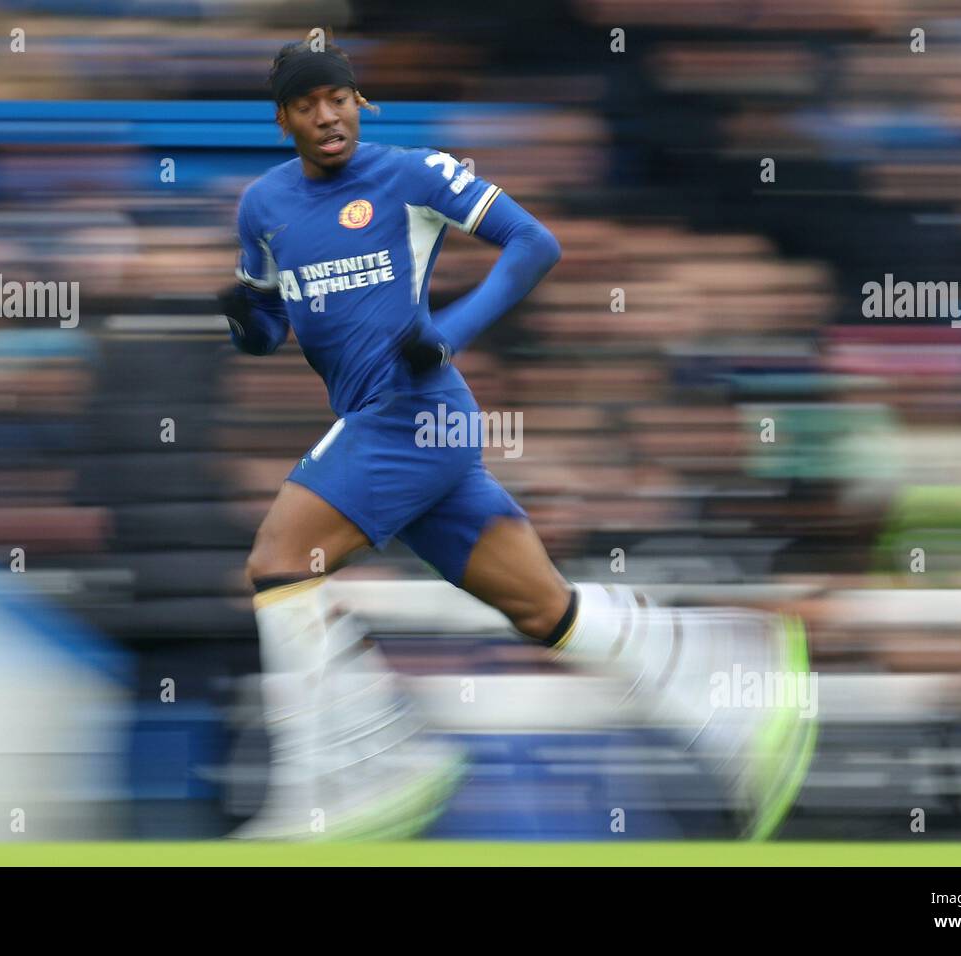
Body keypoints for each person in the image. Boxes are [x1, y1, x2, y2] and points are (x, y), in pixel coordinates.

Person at [220, 38, 812, 840]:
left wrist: (450, 332)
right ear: (283, 118)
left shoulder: (413, 174)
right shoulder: (263, 206)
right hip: (389, 424)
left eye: (339, 97)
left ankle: (358, 771)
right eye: (306, 103)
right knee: (548, 613)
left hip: (414, 412)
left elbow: (535, 244)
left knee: (278, 562)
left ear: (363, 105)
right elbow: (267, 327)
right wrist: (245, 321)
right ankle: (742, 682)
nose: (326, 115)